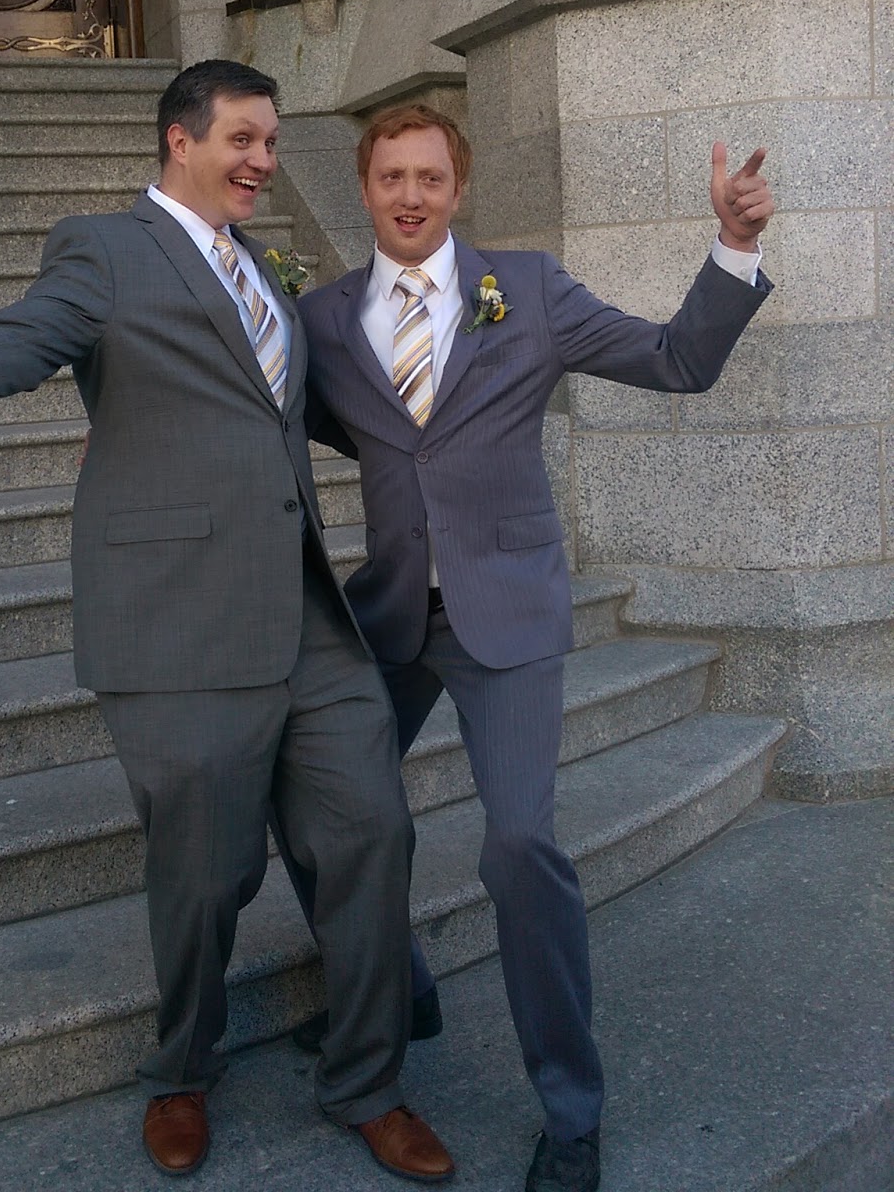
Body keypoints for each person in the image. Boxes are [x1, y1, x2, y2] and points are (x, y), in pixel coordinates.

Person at [0, 62, 455, 1184]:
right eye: (245, 140)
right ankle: (183, 1070)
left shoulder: (262, 268)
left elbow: (303, 413)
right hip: (179, 625)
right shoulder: (103, 251)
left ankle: (369, 1084)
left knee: (373, 832)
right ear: (180, 139)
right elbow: (2, 347)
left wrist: (464, 437)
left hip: (308, 617)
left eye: (270, 142)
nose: (264, 161)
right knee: (203, 877)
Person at [284, 103, 774, 1192]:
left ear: (458, 189)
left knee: (517, 848)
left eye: (430, 177)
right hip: (390, 615)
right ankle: (398, 990)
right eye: (391, 177)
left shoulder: (531, 290)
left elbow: (678, 360)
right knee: (313, 805)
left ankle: (572, 1110)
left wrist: (735, 242)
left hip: (505, 616)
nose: (410, 195)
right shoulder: (321, 318)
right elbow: (329, 430)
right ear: (364, 190)